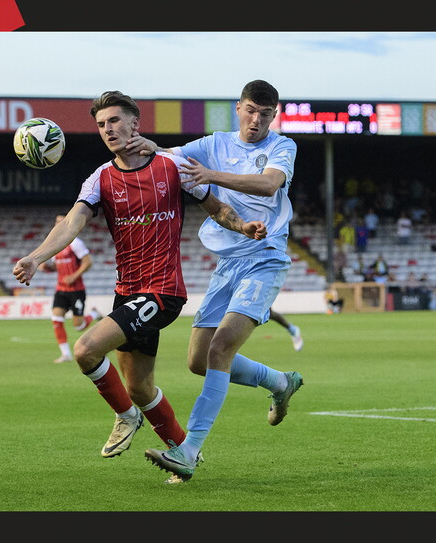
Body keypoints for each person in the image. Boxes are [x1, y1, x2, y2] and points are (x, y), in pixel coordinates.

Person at [12, 91, 267, 478]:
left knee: (84, 350)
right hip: (126, 292)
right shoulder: (100, 178)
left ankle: (125, 417)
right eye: (101, 125)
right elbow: (72, 223)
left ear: (135, 122)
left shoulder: (171, 165)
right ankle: (185, 454)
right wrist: (36, 257)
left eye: (114, 121)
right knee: (140, 387)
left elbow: (217, 208)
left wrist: (243, 226)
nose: (108, 130)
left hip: (163, 291)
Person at [128, 79, 304, 482]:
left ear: (273, 115)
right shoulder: (215, 142)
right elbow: (171, 157)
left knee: (221, 348)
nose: (256, 120)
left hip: (265, 257)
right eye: (250, 110)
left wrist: (211, 175)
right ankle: (280, 382)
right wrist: (141, 144)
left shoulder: (282, 147)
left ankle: (189, 450)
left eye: (265, 113)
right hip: (229, 263)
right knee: (197, 360)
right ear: (238, 108)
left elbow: (269, 183)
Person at [40, 214, 100, 363]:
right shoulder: (55, 245)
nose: (58, 225)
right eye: (57, 222)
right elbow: (56, 267)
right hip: (61, 290)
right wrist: (46, 267)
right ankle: (66, 354)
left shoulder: (75, 243)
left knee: (78, 326)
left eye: (62, 222)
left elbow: (88, 262)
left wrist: (74, 276)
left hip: (76, 290)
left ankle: (93, 314)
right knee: (56, 319)